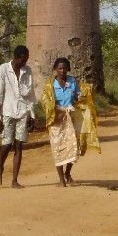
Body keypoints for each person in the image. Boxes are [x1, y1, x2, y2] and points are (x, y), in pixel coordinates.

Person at [0, 45, 36, 189]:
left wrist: (32, 115)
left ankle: (14, 180)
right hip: (8, 112)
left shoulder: (28, 71)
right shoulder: (3, 69)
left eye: (26, 59)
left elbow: (30, 95)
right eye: (23, 59)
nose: (25, 62)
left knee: (19, 146)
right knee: (7, 144)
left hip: (23, 112)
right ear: (17, 57)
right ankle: (0, 166)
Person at [42, 57, 81, 187]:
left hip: (71, 116)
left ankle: (67, 173)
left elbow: (78, 97)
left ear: (68, 69)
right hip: (56, 118)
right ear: (55, 69)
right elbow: (45, 102)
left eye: (64, 68)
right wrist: (54, 113)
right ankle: (61, 179)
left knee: (73, 146)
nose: (62, 70)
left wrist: (82, 97)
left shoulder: (72, 81)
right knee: (57, 147)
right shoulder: (50, 85)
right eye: (59, 68)